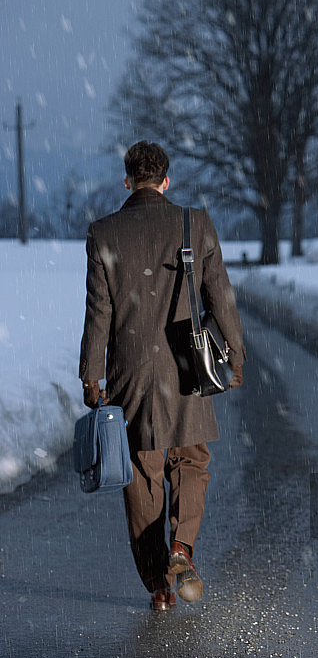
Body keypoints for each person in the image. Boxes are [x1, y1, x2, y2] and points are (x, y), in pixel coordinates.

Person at [79, 141, 244, 611]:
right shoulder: (195, 223)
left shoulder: (103, 233)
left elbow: (99, 313)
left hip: (130, 368)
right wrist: (234, 353)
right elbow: (221, 296)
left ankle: (158, 585)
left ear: (127, 181)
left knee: (142, 472)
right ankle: (181, 547)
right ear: (166, 181)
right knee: (190, 460)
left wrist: (92, 374)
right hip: (187, 364)